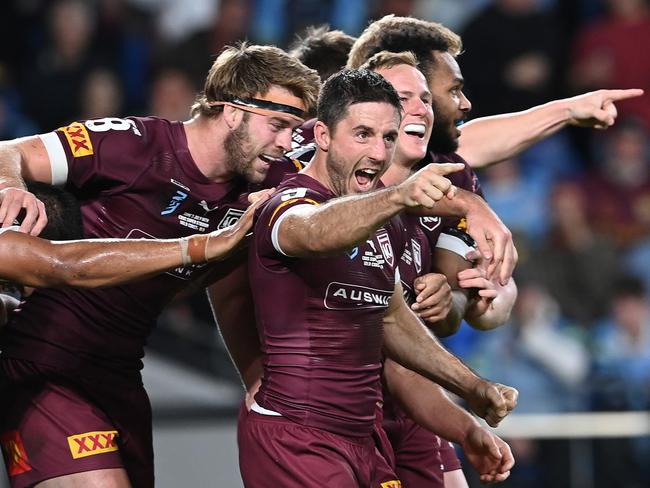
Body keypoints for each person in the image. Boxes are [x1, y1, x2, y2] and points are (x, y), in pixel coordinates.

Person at [0, 43, 320, 488]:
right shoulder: (134, 143)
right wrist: (9, 186)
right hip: (46, 364)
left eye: (293, 129)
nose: (286, 142)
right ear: (231, 110)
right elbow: (10, 151)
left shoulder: (261, 185)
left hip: (122, 375)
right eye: (278, 125)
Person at [239, 68, 518, 487]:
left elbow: (394, 324)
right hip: (297, 436)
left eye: (388, 137)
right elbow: (314, 231)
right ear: (323, 137)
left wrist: (473, 390)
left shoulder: (382, 220)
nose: (377, 151)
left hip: (365, 439)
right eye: (363, 134)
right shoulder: (288, 204)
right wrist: (398, 196)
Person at [347, 14, 644, 170]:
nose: (465, 104)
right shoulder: (323, 163)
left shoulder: (427, 162)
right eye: (452, 91)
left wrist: (567, 110)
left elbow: (472, 144)